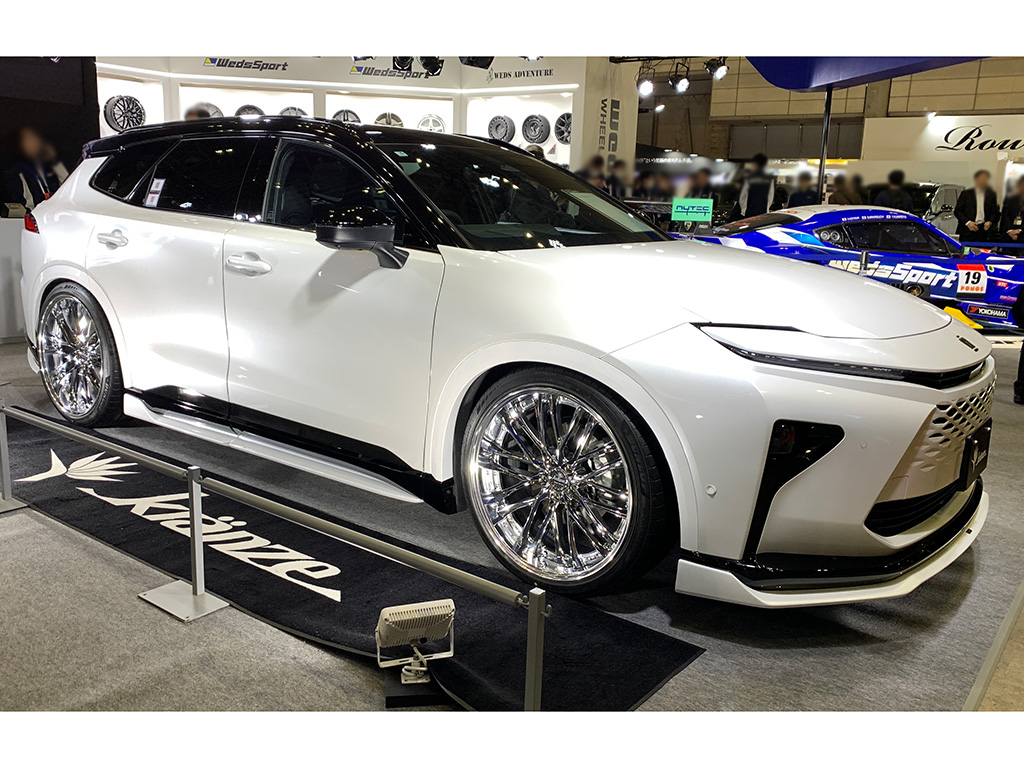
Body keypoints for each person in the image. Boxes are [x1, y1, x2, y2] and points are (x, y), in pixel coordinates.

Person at [1, 126, 69, 211]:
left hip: (56, 214)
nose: (35, 143)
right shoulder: (13, 174)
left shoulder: (50, 169)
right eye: (28, 140)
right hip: (34, 216)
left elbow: (70, 186)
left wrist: (55, 162)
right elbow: (19, 208)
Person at [954, 169, 1000, 243]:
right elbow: (957, 211)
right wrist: (968, 223)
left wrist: (990, 222)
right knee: (966, 249)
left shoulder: (991, 195)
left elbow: (995, 212)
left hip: (984, 231)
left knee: (982, 249)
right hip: (967, 230)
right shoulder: (966, 194)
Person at [729, 153, 775, 220]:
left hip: (749, 210)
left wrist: (743, 210)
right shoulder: (769, 178)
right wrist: (767, 208)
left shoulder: (749, 177)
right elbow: (770, 196)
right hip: (763, 210)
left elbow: (743, 195)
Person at [999, 176, 1024, 249]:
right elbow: (1006, 215)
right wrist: (1010, 231)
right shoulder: (1010, 198)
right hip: (1008, 234)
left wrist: (1019, 231)